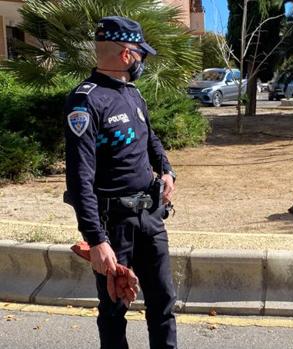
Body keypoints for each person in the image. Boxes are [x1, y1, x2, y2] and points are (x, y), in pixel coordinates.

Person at [64, 16, 178, 349]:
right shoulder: (86, 101)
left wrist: (167, 169)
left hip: (151, 217)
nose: (143, 61)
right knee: (115, 309)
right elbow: (80, 177)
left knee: (163, 303)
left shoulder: (131, 94)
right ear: (127, 54)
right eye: (141, 54)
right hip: (114, 225)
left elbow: (149, 138)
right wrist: (96, 240)